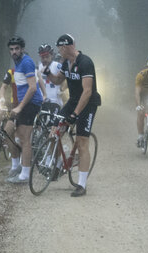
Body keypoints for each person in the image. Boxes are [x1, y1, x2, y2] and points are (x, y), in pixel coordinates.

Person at [44, 33, 101, 197]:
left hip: (88, 103)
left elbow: (88, 91)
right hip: (73, 100)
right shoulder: (65, 63)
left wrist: (75, 115)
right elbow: (57, 81)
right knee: (55, 130)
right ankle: (57, 163)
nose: (58, 51)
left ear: (66, 47)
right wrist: (48, 73)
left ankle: (82, 185)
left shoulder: (85, 62)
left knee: (83, 142)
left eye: (59, 48)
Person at [3, 36, 43, 184]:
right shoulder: (17, 63)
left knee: (24, 138)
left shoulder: (26, 62)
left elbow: (33, 87)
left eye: (17, 49)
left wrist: (20, 106)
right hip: (21, 104)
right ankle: (16, 165)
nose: (14, 51)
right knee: (7, 132)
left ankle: (25, 175)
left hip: (31, 103)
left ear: (22, 49)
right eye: (11, 49)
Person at [37, 43, 65, 112]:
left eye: (47, 57)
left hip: (55, 101)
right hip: (42, 101)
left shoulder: (57, 66)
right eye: (43, 57)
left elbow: (66, 79)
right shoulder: (39, 67)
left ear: (52, 55)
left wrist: (62, 89)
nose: (45, 59)